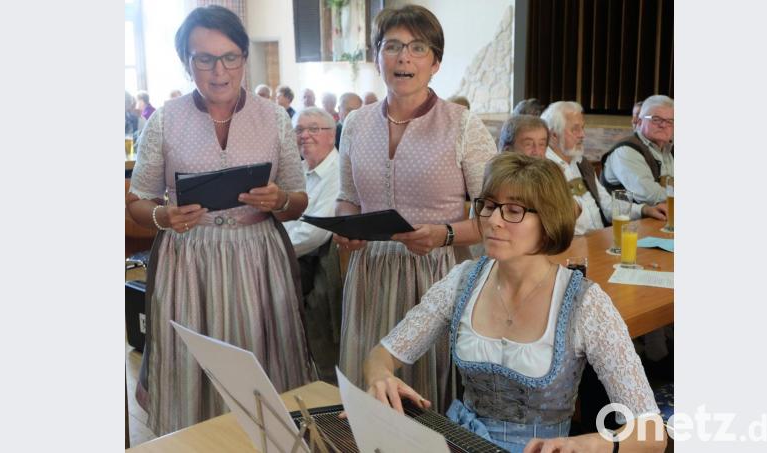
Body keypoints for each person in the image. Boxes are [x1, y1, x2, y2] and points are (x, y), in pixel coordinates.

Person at [364, 152, 666, 453]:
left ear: (548, 219)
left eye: (513, 210)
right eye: (490, 206)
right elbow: (383, 354)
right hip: (460, 444)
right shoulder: (462, 281)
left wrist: (591, 442)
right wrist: (380, 376)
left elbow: (652, 432)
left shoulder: (585, 303)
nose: (494, 221)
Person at [126, 5, 314, 436]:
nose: (219, 70)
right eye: (204, 58)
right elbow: (137, 201)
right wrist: (163, 216)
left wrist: (280, 198)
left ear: (244, 59)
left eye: (230, 57)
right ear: (186, 62)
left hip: (258, 259)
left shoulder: (273, 118)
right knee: (192, 363)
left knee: (261, 366)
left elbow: (298, 200)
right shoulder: (165, 121)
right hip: (188, 259)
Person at [335, 4, 497, 412]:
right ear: (377, 58)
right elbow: (347, 197)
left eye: (417, 47)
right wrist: (343, 226)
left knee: (422, 395)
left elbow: (493, 215)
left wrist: (442, 234)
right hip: (369, 273)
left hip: (435, 275)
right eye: (392, 46)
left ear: (435, 63)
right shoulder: (355, 123)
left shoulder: (462, 125)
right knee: (369, 387)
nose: (403, 57)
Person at [541, 101, 666, 235]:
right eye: (575, 129)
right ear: (554, 134)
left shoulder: (581, 164)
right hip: (571, 246)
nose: (582, 134)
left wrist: (645, 210)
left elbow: (607, 205)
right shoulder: (544, 170)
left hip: (598, 240)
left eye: (583, 128)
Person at [283, 107, 342, 383]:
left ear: (332, 135)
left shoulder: (337, 172)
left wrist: (271, 251)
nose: (305, 135)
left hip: (323, 265)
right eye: (300, 130)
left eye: (314, 129)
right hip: (295, 259)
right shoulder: (298, 170)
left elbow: (314, 233)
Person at [601, 95, 674, 205]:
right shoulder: (627, 150)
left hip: (662, 219)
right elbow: (650, 196)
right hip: (629, 221)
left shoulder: (670, 150)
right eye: (656, 119)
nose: (663, 125)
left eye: (670, 121)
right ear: (639, 122)